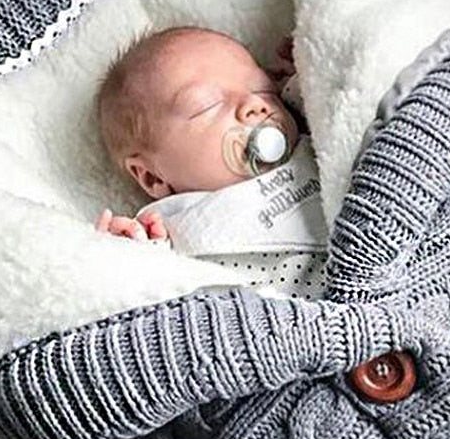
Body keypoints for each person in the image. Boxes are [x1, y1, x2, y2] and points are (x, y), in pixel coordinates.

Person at [94, 26, 328, 296]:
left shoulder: (310, 136)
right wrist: (124, 256)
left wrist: (306, 74)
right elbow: (155, 296)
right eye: (206, 104)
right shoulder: (168, 230)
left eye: (263, 89)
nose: (253, 104)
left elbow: (339, 112)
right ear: (153, 177)